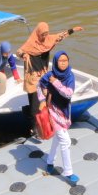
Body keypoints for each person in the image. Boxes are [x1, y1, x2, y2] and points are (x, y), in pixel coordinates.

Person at [16, 22, 82, 134]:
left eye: (46, 34)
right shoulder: (31, 43)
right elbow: (19, 52)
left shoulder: (49, 40)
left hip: (44, 74)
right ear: (38, 33)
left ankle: (46, 122)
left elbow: (60, 36)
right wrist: (24, 55)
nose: (44, 37)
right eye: (42, 34)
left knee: (47, 100)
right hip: (33, 77)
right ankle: (34, 128)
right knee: (35, 104)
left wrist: (73, 30)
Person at [39, 51, 78, 184]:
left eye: (65, 60)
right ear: (56, 62)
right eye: (60, 61)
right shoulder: (50, 75)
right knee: (65, 141)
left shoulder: (70, 76)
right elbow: (41, 84)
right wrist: (43, 95)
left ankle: (50, 163)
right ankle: (69, 172)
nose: (63, 63)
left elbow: (68, 94)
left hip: (64, 110)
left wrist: (56, 83)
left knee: (57, 138)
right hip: (53, 111)